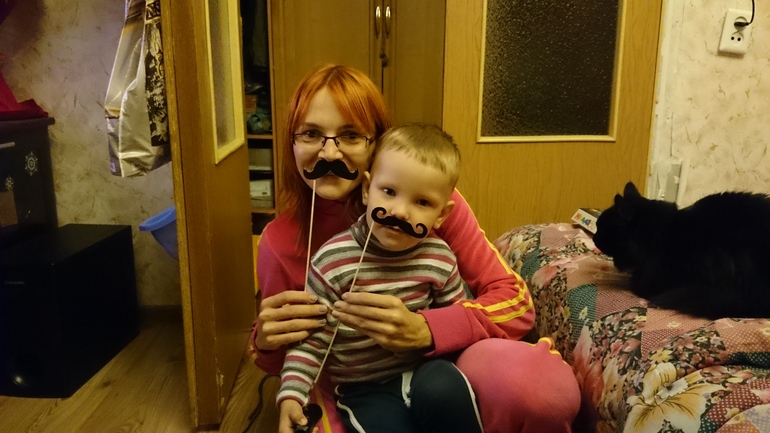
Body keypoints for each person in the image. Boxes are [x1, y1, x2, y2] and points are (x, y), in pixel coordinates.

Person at [250, 64, 580, 433]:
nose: (329, 153)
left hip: (433, 368)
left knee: (540, 391)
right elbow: (291, 356)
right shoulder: (281, 243)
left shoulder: (429, 204)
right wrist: (265, 342)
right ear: (291, 141)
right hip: (351, 387)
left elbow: (513, 303)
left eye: (351, 135)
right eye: (311, 133)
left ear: (376, 143)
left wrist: (427, 329)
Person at [278, 123, 483, 433]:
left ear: (442, 215)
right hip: (364, 389)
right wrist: (292, 395)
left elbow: (458, 322)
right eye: (389, 192)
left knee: (447, 391)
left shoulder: (439, 258)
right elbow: (310, 341)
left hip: (427, 371)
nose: (400, 212)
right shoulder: (332, 262)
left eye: (422, 202)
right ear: (366, 189)